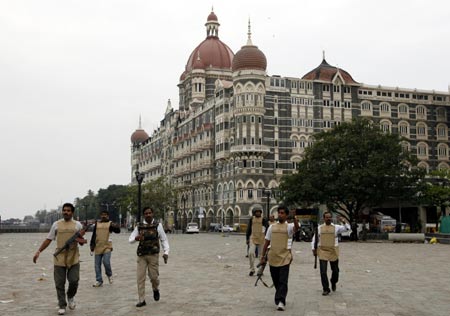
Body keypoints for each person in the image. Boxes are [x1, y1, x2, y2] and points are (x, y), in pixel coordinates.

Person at [33, 203, 87, 315]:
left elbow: (82, 242)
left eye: (68, 210)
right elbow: (48, 239)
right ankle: (62, 304)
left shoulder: (78, 225)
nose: (66, 212)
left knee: (74, 281)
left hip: (73, 257)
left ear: (72, 212)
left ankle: (71, 296)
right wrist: (39, 251)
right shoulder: (56, 224)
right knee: (59, 283)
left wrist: (79, 239)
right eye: (64, 210)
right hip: (59, 257)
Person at [260, 205, 298, 311]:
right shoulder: (272, 227)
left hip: (285, 257)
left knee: (283, 280)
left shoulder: (289, 226)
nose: (280, 215)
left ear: (286, 215)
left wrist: (294, 218)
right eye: (279, 213)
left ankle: (281, 301)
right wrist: (262, 256)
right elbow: (267, 242)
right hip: (273, 257)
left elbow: (296, 228)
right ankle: (279, 295)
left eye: (282, 213)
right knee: (276, 280)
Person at [129, 207, 169, 308]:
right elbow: (130, 239)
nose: (148, 215)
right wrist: (136, 238)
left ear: (153, 214)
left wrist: (166, 252)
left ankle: (155, 289)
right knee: (140, 278)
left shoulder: (158, 226)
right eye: (146, 213)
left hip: (153, 255)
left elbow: (164, 239)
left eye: (150, 213)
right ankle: (141, 299)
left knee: (154, 277)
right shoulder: (139, 226)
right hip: (142, 255)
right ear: (144, 215)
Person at [311, 211, 350, 296]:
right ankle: (326, 289)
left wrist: (343, 221)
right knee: (323, 272)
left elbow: (347, 228)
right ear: (324, 218)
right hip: (322, 251)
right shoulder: (319, 228)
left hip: (333, 251)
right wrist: (313, 249)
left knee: (335, 271)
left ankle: (333, 281)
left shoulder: (336, 227)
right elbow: (315, 239)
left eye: (329, 217)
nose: (328, 218)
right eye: (326, 217)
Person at [89, 210, 121, 287]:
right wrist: (91, 246)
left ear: (108, 216)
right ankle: (99, 280)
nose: (103, 216)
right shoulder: (97, 224)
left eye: (105, 215)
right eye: (102, 215)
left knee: (106, 262)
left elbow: (118, 231)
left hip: (107, 246)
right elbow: (94, 235)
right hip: (98, 246)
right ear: (100, 216)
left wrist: (115, 226)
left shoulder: (110, 224)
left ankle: (109, 274)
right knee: (97, 265)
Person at [246, 207, 268, 276]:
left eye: (259, 212)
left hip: (261, 239)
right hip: (253, 238)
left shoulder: (264, 220)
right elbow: (248, 229)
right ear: (254, 213)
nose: (258, 213)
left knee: (261, 256)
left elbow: (267, 229)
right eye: (256, 212)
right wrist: (247, 238)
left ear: (261, 213)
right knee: (251, 253)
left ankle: (260, 270)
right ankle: (252, 269)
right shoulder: (251, 219)